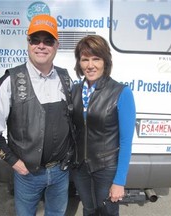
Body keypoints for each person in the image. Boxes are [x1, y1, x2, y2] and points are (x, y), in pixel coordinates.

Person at [0, 14, 74, 216]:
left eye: (48, 41)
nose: (41, 46)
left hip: (60, 172)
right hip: (28, 174)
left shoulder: (65, 78)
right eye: (35, 40)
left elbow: (73, 122)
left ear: (56, 45)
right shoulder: (10, 81)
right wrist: (14, 162)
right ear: (28, 42)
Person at [70, 35, 136, 216]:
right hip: (80, 168)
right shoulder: (74, 91)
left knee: (107, 211)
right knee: (89, 210)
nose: (90, 65)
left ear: (105, 61)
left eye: (96, 59)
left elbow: (126, 141)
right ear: (79, 63)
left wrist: (119, 181)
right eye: (85, 59)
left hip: (106, 168)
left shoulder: (121, 93)